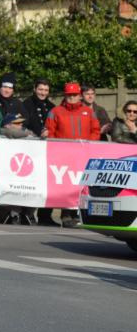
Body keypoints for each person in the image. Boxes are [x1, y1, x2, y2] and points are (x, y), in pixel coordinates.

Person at [45, 82, 100, 228]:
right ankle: (62, 215)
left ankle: (76, 214)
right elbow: (50, 131)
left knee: (81, 185)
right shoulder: (56, 111)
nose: (72, 97)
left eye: (74, 95)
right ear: (65, 95)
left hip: (83, 155)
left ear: (80, 96)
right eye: (69, 95)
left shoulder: (88, 112)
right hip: (62, 156)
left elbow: (96, 130)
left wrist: (89, 145)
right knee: (63, 185)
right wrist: (56, 149)